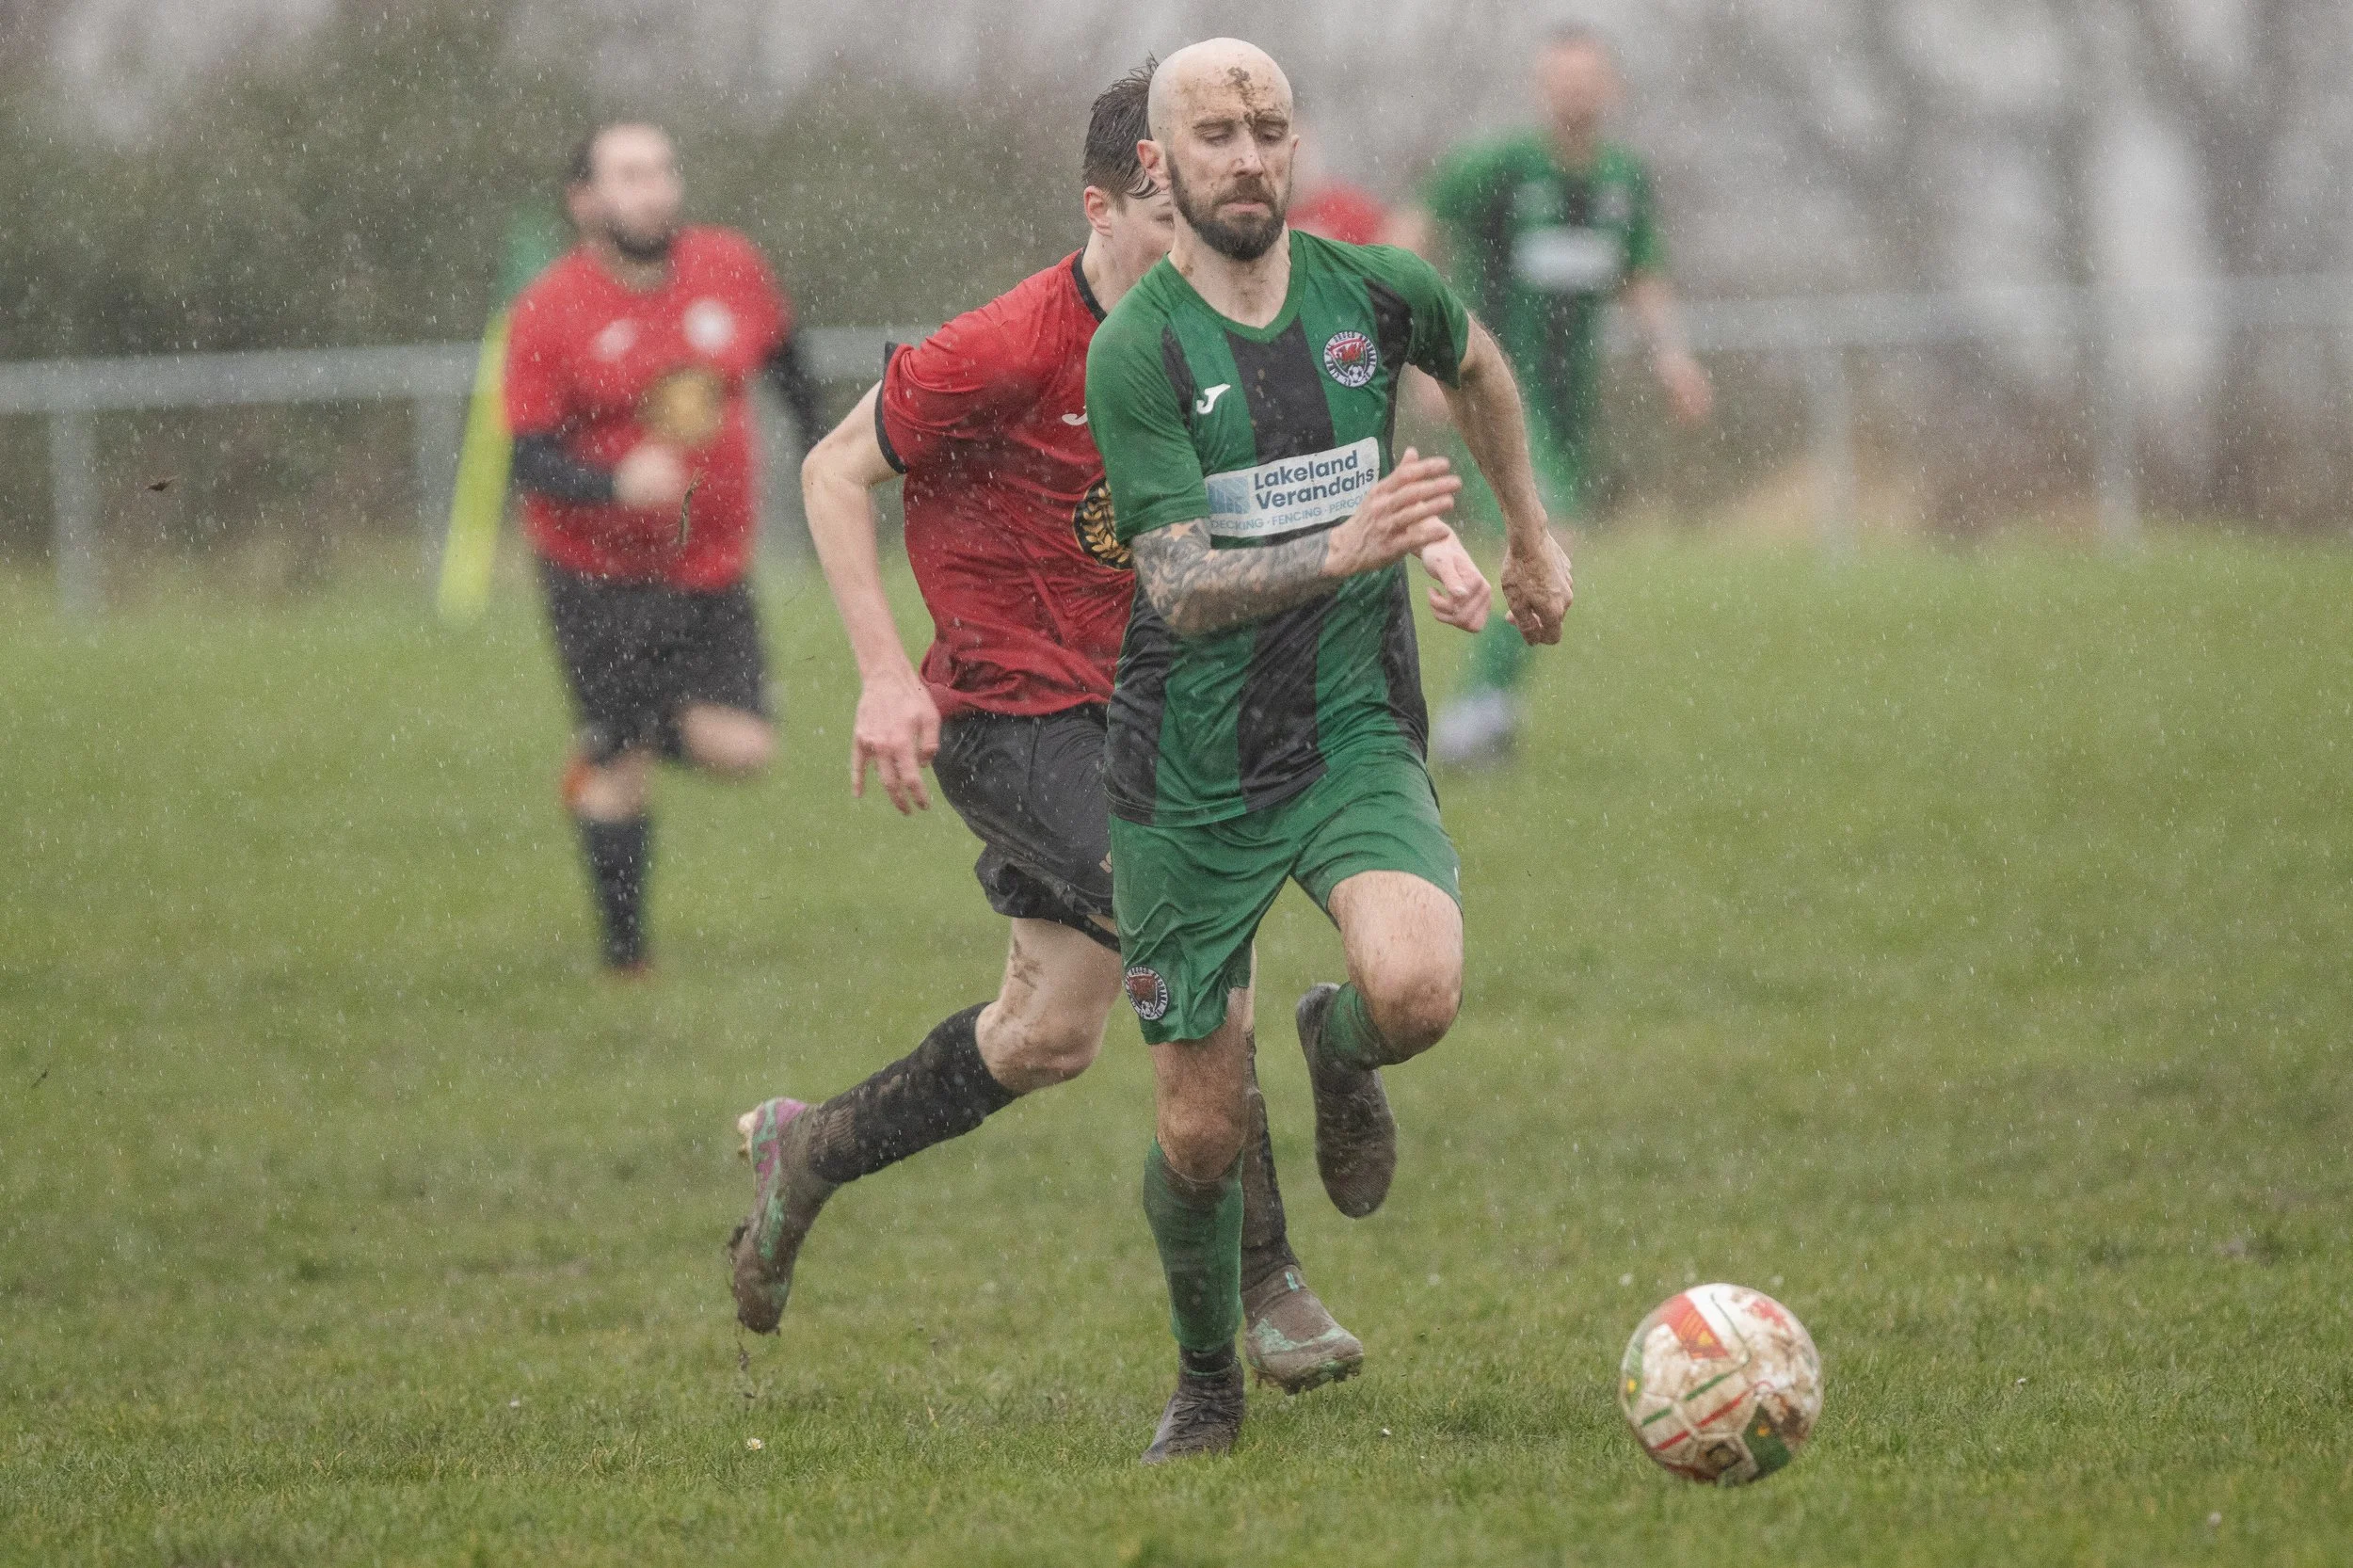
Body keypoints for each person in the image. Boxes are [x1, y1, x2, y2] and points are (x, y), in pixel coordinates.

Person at [726, 64, 1365, 1398]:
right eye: (1163, 218)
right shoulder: (1007, 345)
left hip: (1149, 711)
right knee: (1186, 928)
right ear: (1102, 206)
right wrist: (881, 673)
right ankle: (1270, 1280)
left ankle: (814, 1147)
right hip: (1014, 716)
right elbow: (832, 469)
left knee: (1047, 1034)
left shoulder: (1210, 335)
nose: (1192, 241)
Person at [1084, 39, 1572, 1462]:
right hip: (1187, 770)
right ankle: (1206, 1378)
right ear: (1158, 170)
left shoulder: (1373, 291)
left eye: (1270, 127)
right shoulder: (1141, 351)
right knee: (1195, 1132)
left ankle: (1335, 1045)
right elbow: (1175, 583)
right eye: (1217, 134)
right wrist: (1345, 543)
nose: (1250, 155)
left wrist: (1524, 533)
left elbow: (1479, 369)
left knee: (1418, 988)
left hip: (1351, 728)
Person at [504, 122, 823, 972]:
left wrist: (832, 457)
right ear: (584, 200)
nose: (655, 189)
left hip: (711, 563)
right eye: (631, 174)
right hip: (596, 571)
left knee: (747, 749)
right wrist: (611, 484)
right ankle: (625, 963)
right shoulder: (549, 308)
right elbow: (525, 453)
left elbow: (792, 372)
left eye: (663, 170)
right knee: (623, 766)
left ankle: (609, 729)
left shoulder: (731, 267)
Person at [1391, 24, 1710, 766]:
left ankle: (1487, 709)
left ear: (1611, 88)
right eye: (1561, 79)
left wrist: (1673, 359)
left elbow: (1644, 273)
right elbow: (1407, 235)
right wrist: (1417, 357)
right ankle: (1478, 713)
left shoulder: (1621, 180)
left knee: (1541, 542)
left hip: (1570, 403)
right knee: (1546, 529)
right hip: (1492, 398)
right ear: (1541, 88)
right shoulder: (1499, 166)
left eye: (1587, 79)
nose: (1575, 92)